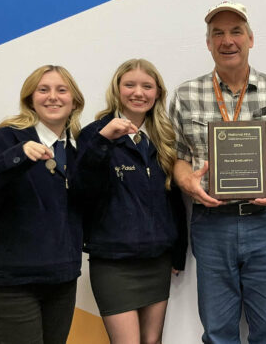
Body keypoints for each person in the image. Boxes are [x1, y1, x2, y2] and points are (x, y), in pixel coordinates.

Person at [168, 1, 266, 344]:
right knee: (217, 331)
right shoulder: (185, 95)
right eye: (218, 33)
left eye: (236, 31)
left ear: (251, 39)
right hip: (211, 225)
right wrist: (187, 182)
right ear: (208, 43)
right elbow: (178, 157)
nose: (228, 40)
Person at [0, 65, 85, 343]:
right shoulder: (4, 140)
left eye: (62, 90)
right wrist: (15, 157)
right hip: (12, 282)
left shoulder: (76, 152)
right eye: (43, 89)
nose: (53, 97)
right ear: (30, 99)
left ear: (75, 101)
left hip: (61, 280)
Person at [74, 58, 187, 344]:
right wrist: (103, 141)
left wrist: (178, 250)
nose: (139, 93)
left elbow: (173, 200)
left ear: (158, 92)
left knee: (152, 342)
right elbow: (82, 190)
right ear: (117, 89)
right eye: (130, 85)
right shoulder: (94, 134)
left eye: (147, 86)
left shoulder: (164, 137)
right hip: (114, 262)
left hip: (157, 259)